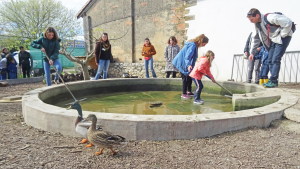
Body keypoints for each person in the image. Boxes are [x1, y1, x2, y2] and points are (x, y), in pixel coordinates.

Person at [247, 8, 294, 88]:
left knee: (275, 59)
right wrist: (252, 52)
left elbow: (288, 22)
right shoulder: (257, 25)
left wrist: (283, 35)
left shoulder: (270, 17)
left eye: (252, 19)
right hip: (274, 39)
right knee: (270, 59)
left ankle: (273, 80)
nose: (250, 21)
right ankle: (273, 80)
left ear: (257, 15)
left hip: (283, 37)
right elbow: (255, 39)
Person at [172, 34, 209, 99]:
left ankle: (189, 91)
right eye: (204, 44)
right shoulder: (193, 45)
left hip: (185, 62)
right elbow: (187, 57)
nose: (204, 45)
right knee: (185, 78)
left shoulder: (194, 45)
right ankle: (184, 93)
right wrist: (189, 65)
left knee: (189, 76)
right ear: (201, 41)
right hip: (182, 63)